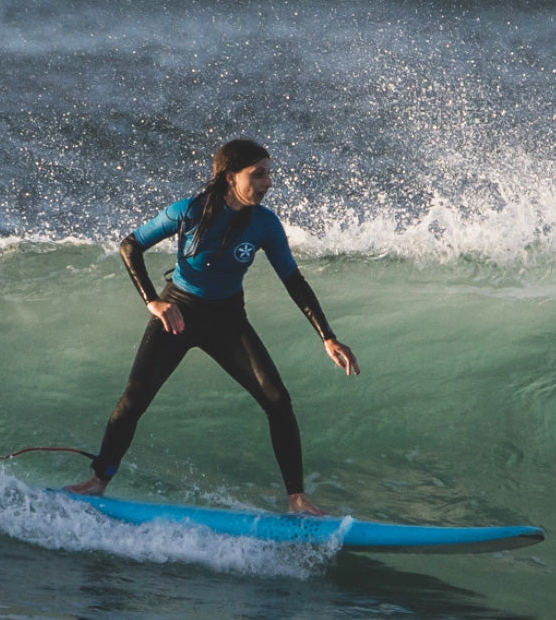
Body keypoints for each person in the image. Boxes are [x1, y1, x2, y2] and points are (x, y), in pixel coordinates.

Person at [67, 138, 359, 515]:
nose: (268, 182)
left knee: (277, 400)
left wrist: (328, 336)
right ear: (229, 176)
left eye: (269, 173)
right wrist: (154, 301)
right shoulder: (188, 211)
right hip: (179, 313)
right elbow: (130, 246)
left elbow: (293, 279)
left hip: (227, 320)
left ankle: (297, 499)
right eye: (258, 174)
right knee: (134, 398)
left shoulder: (265, 225)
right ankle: (98, 481)